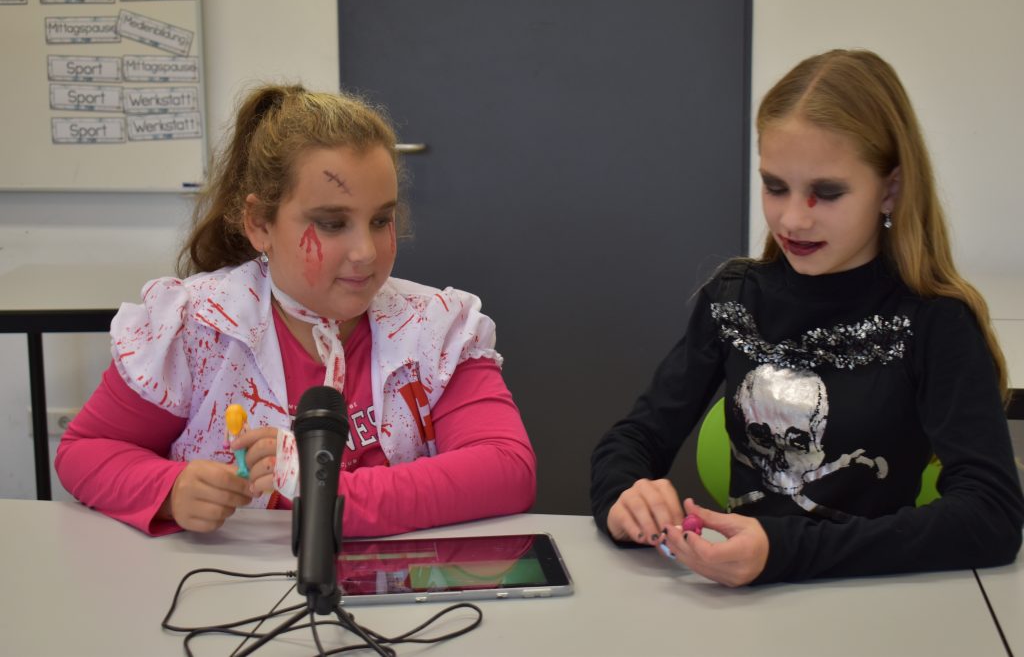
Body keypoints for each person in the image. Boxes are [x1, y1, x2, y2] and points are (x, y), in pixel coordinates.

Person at [590, 49, 1024, 586]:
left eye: (828, 193)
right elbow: (632, 439)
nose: (792, 218)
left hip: (877, 602)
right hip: (743, 610)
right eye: (775, 186)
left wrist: (782, 552)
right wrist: (623, 496)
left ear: (889, 190)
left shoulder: (935, 323)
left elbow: (993, 518)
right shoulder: (733, 300)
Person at [56, 84, 536, 536]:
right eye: (331, 224)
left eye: (381, 220)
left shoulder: (437, 328)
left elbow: (506, 468)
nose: (365, 252)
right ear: (259, 224)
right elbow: (86, 452)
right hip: (230, 595)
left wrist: (320, 487)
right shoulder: (196, 327)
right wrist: (168, 489)